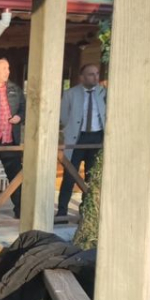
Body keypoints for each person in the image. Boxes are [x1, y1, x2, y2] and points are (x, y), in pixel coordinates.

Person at [57, 64, 106, 216]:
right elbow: (64, 117)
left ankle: (86, 212)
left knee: (91, 177)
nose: (95, 77)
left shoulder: (104, 93)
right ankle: (62, 212)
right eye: (91, 74)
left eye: (97, 74)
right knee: (70, 176)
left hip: (97, 137)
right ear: (82, 77)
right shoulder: (70, 94)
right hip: (77, 138)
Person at [0, 59, 25, 218]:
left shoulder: (15, 89)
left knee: (16, 177)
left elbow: (25, 108)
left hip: (9, 141)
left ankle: (20, 211)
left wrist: (19, 117)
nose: (7, 71)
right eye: (3, 68)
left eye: (8, 68)